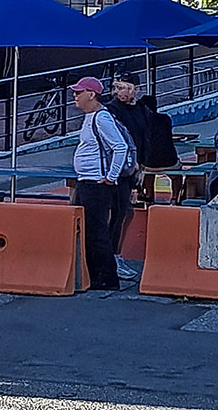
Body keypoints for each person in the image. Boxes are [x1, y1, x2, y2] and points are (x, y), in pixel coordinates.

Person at [70, 76, 127, 291]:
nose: (75, 96)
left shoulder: (101, 118)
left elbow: (119, 147)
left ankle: (106, 278)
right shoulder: (92, 117)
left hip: (97, 184)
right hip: (88, 181)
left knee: (96, 231)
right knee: (91, 230)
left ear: (91, 94)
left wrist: (111, 177)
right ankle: (95, 276)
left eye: (79, 92)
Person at [106, 71, 148, 282]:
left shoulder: (141, 109)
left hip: (133, 168)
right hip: (117, 169)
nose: (119, 92)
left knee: (125, 212)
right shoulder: (112, 110)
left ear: (135, 89)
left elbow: (144, 136)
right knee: (119, 212)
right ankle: (112, 256)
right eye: (117, 87)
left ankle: (114, 254)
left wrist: (141, 166)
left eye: (124, 87)